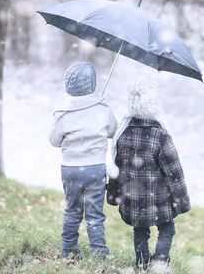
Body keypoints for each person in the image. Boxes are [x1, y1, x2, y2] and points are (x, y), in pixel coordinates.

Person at [106, 75, 191, 270]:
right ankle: (159, 263)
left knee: (140, 231)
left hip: (133, 198)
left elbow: (116, 169)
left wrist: (113, 195)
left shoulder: (123, 133)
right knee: (167, 228)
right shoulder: (160, 136)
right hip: (158, 199)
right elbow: (175, 172)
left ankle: (142, 264)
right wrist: (182, 200)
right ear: (154, 104)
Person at [49, 62, 117, 259]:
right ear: (93, 85)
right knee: (95, 214)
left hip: (70, 169)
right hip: (95, 168)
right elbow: (113, 131)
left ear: (68, 85)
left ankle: (68, 251)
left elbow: (54, 141)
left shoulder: (62, 112)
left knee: (72, 211)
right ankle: (98, 254)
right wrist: (102, 108)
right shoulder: (102, 108)